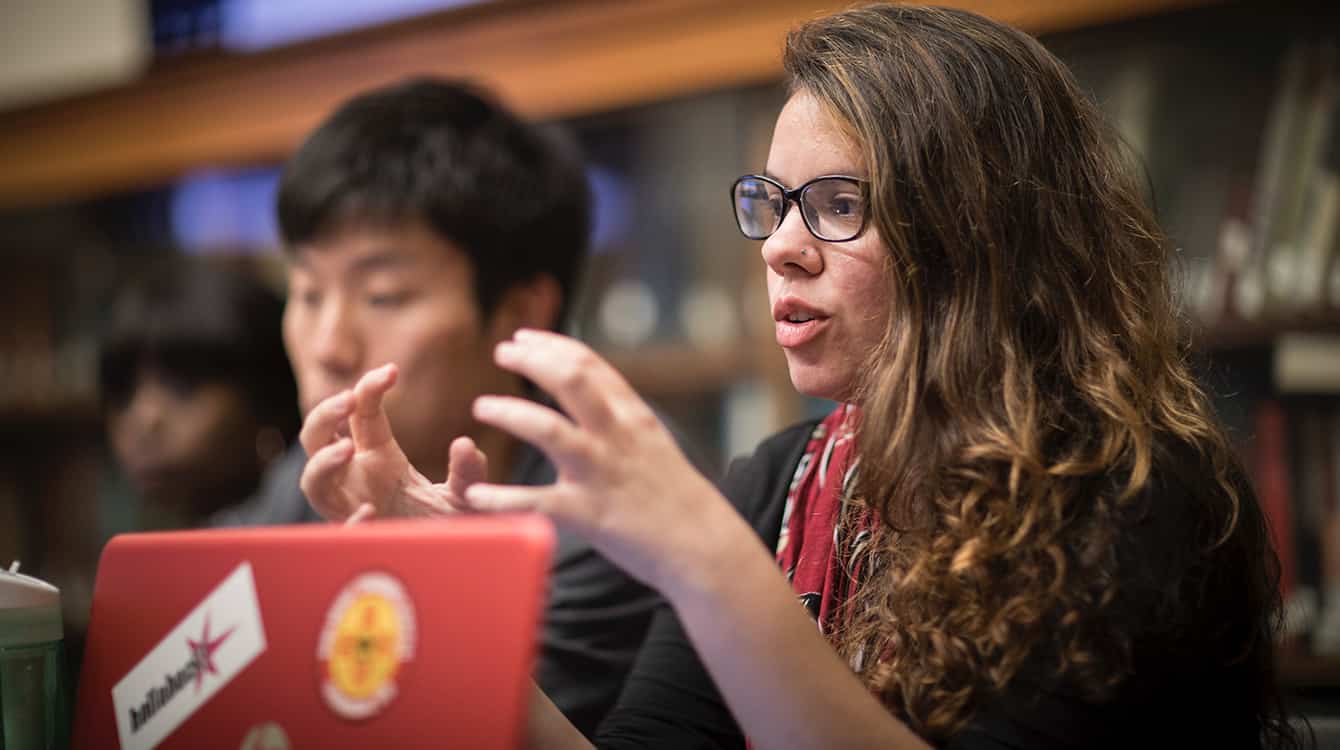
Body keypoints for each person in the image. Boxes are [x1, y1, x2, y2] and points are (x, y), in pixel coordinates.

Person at [300, 6, 1298, 749]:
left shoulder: (1130, 490)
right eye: (772, 204)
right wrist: (451, 602)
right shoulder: (781, 481)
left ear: (977, 231)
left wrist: (701, 560)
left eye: (833, 205)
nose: (779, 248)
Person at [214, 77, 664, 738]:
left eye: (384, 295)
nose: (328, 345)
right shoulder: (316, 472)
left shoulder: (609, 510)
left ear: (520, 313)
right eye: (307, 292)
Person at [101, 258, 299, 529]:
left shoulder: (319, 510)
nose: (145, 418)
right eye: (122, 390)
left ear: (266, 395)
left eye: (183, 386)